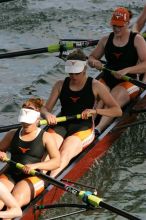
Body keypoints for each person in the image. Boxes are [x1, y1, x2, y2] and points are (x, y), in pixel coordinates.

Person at [41, 49, 122, 177]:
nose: (73, 76)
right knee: (48, 152)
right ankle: (38, 177)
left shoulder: (95, 85)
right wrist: (47, 115)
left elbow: (117, 111)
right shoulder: (60, 84)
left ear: (84, 69)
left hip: (83, 127)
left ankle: (50, 181)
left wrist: (95, 111)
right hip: (62, 123)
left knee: (65, 152)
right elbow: (44, 109)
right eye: (70, 73)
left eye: (76, 73)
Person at [88, 7, 146, 134]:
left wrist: (127, 70)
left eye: (120, 26)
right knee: (95, 97)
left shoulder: (137, 39)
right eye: (114, 25)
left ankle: (98, 129)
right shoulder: (105, 40)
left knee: (113, 97)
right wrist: (94, 62)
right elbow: (91, 57)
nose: (116, 29)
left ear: (127, 23)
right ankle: (87, 126)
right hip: (108, 78)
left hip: (129, 81)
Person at [0, 98, 60, 214]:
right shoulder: (12, 134)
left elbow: (56, 162)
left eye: (28, 122)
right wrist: (1, 154)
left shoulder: (46, 137)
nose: (25, 124)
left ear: (38, 119)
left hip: (33, 176)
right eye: (23, 121)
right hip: (11, 174)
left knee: (14, 204)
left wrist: (34, 166)